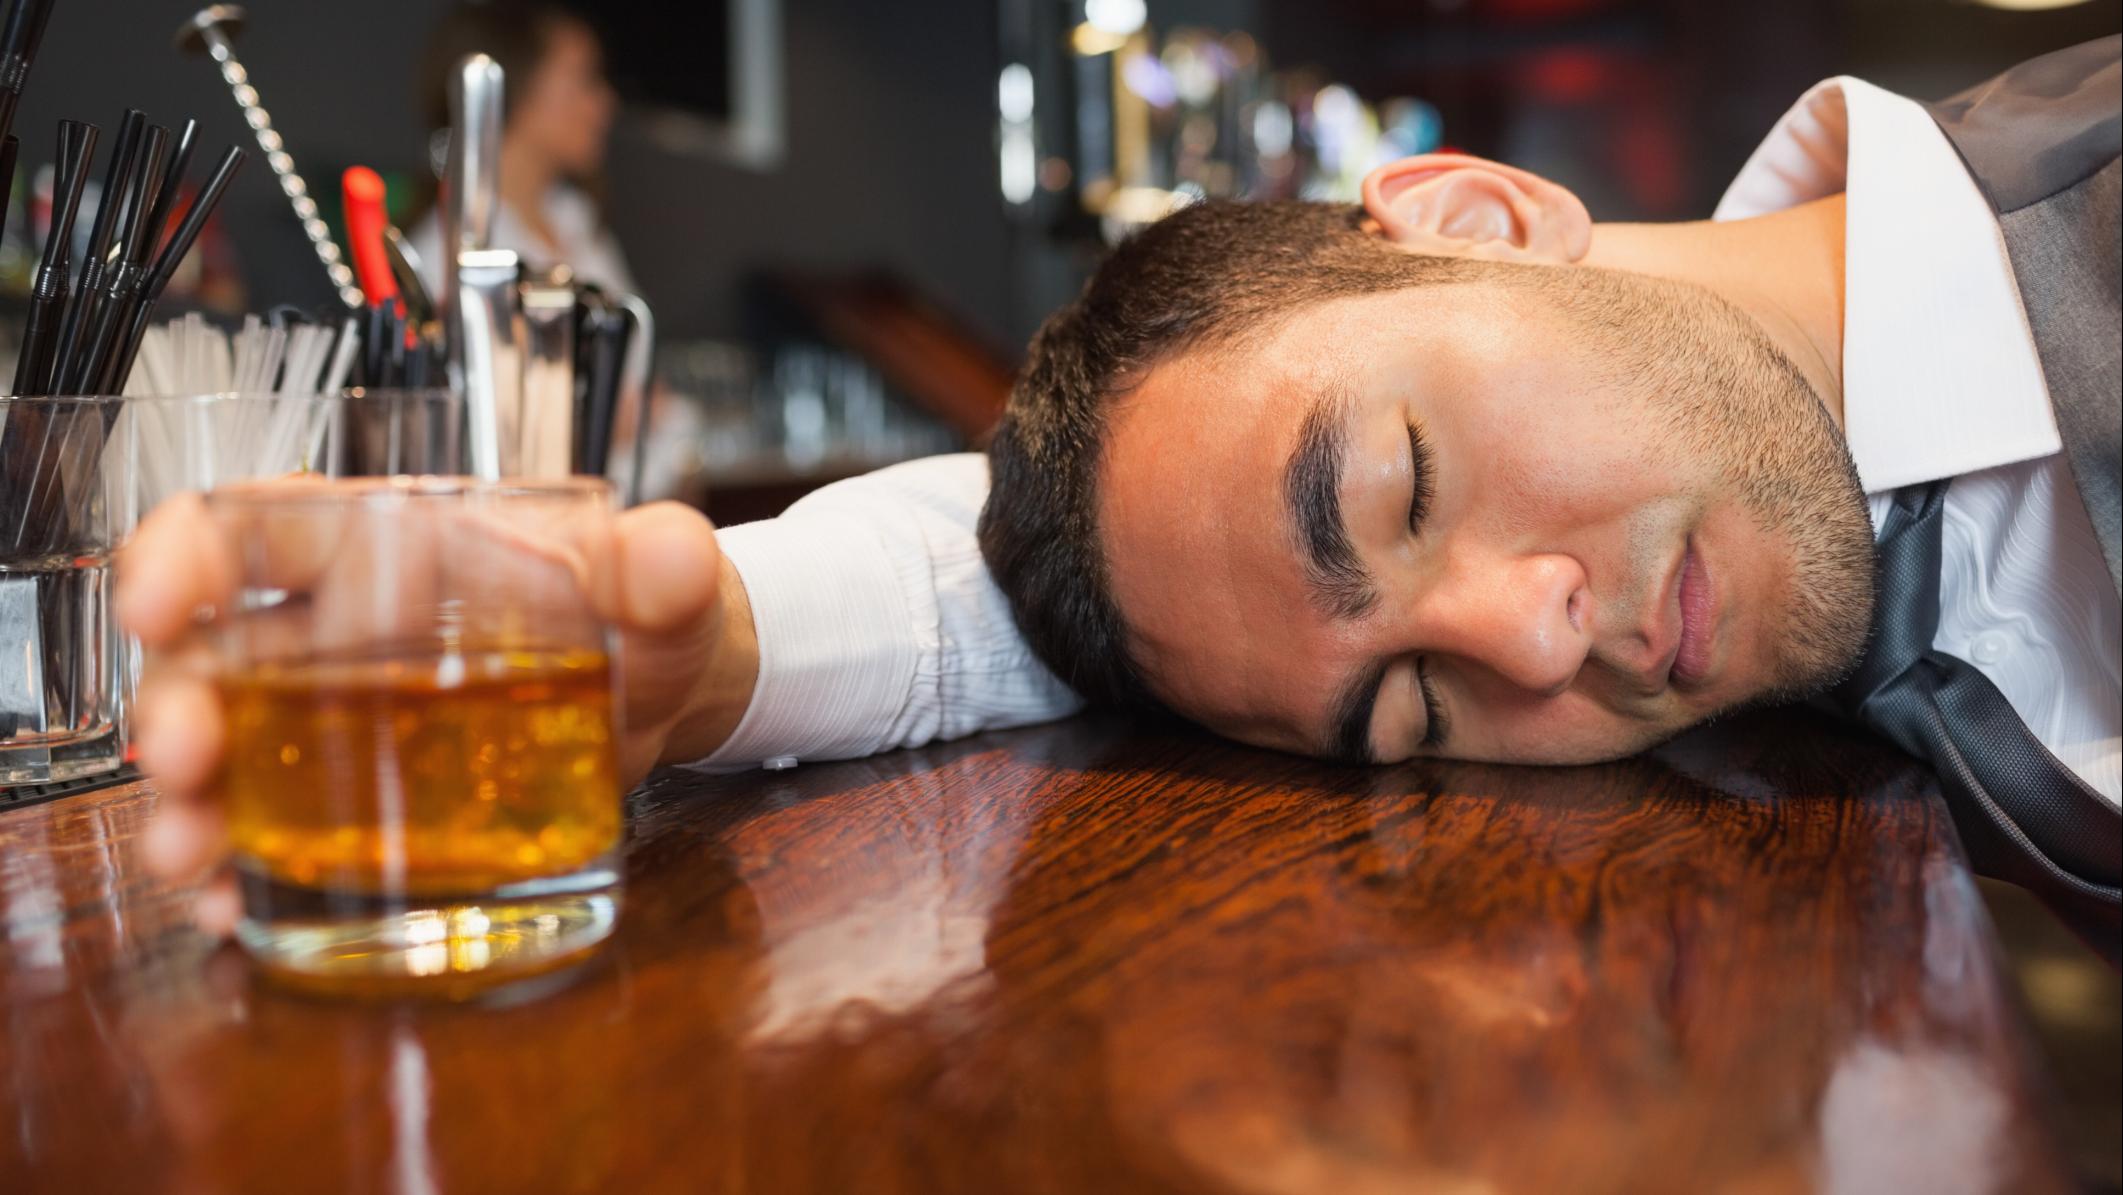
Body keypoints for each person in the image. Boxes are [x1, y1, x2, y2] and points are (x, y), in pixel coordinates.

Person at [124, 40, 2118, 939]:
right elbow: (1127, 555)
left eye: (1399, 483)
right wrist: (713, 642)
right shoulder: (1783, 516)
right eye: (1414, 718)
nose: (1533, 638)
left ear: (1482, 217)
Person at [406, 0, 636, 297]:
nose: (607, 102)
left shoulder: (576, 218)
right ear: (516, 87)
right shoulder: (441, 256)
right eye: (585, 79)